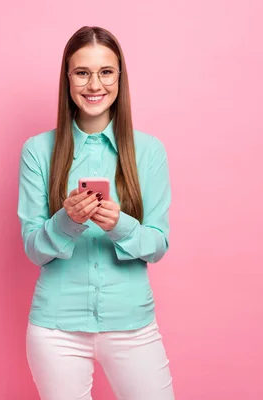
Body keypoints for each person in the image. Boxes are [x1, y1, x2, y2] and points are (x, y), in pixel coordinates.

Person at [17, 25, 174, 400]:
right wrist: (66, 221)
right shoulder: (38, 151)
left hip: (132, 325)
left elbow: (158, 244)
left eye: (106, 71)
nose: (94, 85)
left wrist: (120, 225)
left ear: (119, 77)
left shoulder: (148, 151)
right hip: (56, 330)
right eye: (82, 72)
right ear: (68, 78)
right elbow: (34, 249)